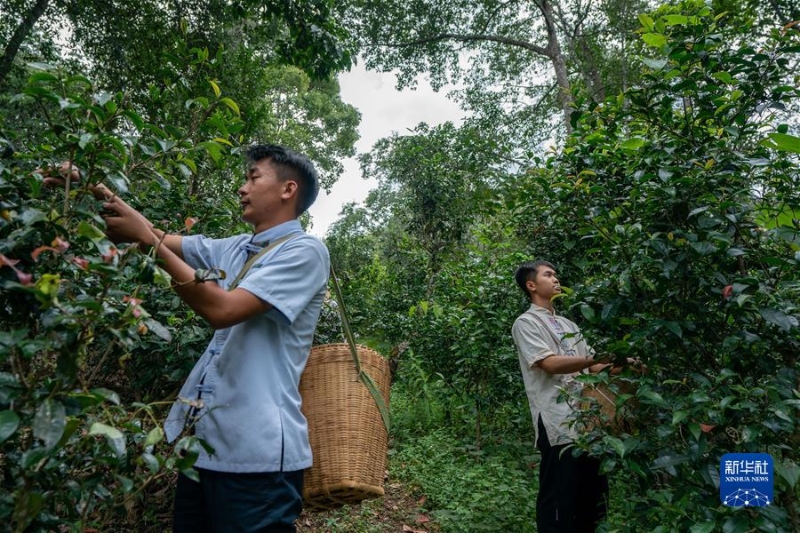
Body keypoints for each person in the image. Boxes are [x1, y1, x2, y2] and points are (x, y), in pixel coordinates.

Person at [47, 144, 330, 532]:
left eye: (253, 177)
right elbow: (156, 234)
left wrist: (151, 243)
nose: (242, 188)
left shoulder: (305, 252)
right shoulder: (235, 247)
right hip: (204, 452)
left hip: (258, 459)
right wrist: (91, 189)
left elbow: (222, 309)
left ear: (288, 190)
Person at [511, 260, 623, 533]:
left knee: (593, 498)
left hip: (589, 421)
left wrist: (624, 362)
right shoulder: (526, 323)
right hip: (557, 420)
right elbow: (548, 363)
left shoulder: (567, 323)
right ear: (531, 285)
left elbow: (594, 365)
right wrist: (593, 360)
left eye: (556, 274)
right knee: (559, 500)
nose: (556, 279)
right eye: (548, 275)